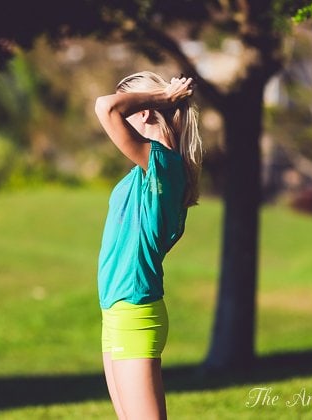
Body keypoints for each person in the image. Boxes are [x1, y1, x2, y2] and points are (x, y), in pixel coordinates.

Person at [94, 71, 203, 419]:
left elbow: (105, 107)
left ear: (142, 112)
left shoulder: (164, 164)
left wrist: (164, 98)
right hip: (117, 309)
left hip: (135, 311)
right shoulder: (149, 168)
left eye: (129, 108)